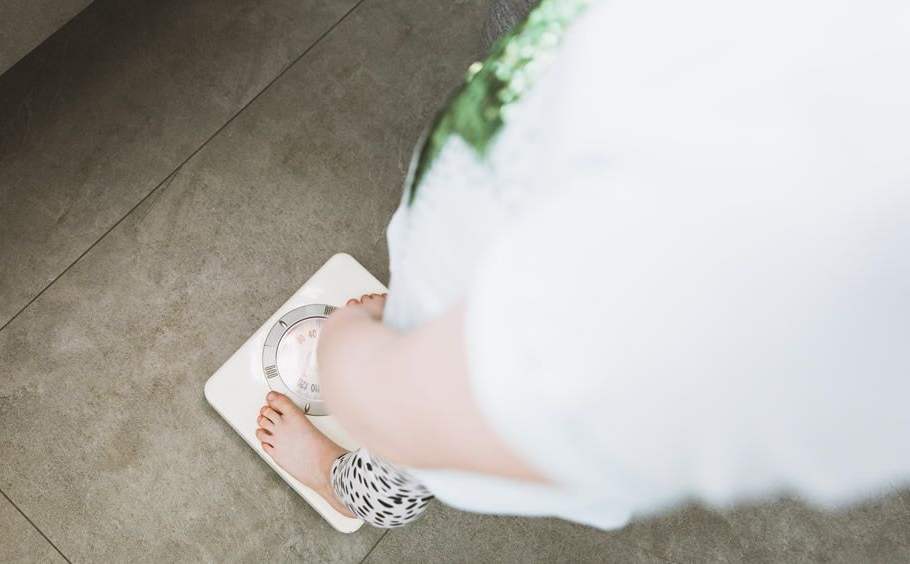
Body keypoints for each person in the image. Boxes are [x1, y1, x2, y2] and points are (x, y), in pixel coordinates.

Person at [255, 0, 910, 529]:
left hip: (467, 352)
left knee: (408, 453)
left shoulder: (773, 259)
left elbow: (416, 406)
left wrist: (346, 348)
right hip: (535, 133)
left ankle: (349, 487)